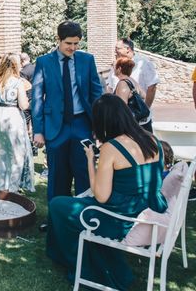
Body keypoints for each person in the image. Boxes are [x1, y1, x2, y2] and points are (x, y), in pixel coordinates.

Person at [46, 94, 167, 289]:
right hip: (151, 205)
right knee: (69, 206)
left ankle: (78, 263)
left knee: (58, 205)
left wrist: (89, 160)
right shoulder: (152, 139)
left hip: (123, 215)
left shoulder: (112, 147)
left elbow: (101, 196)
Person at [32, 20, 103, 202]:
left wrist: (99, 126)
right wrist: (39, 131)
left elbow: (97, 95)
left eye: (76, 43)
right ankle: (57, 221)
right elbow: (37, 98)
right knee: (57, 177)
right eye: (68, 43)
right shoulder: (43, 62)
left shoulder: (87, 60)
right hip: (56, 128)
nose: (72, 47)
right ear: (59, 39)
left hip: (82, 125)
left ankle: (83, 219)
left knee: (85, 174)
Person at [0, 53, 35, 192]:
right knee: (16, 154)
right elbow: (23, 105)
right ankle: (12, 188)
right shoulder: (18, 82)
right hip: (12, 117)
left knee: (0, 153)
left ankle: (1, 186)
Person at [107, 38, 159, 108]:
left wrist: (146, 108)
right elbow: (110, 88)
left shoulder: (144, 63)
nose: (115, 51)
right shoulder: (115, 65)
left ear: (128, 49)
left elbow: (152, 88)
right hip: (118, 113)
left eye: (117, 48)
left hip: (137, 113)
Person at [112, 57, 152, 132]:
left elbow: (122, 108)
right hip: (140, 123)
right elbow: (144, 96)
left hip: (130, 126)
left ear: (119, 69)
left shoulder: (122, 83)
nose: (113, 69)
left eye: (114, 66)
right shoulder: (131, 80)